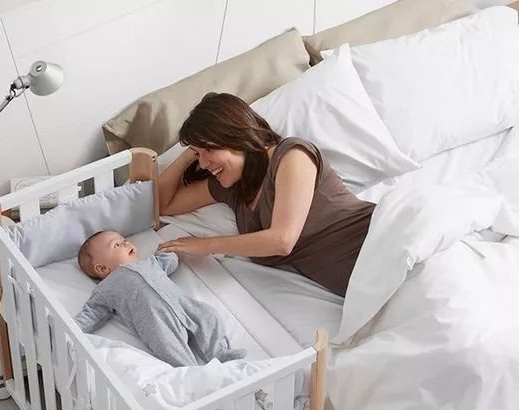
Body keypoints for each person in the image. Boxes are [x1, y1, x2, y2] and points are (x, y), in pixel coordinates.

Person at [157, 92, 375, 297]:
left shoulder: (291, 155)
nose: (203, 164)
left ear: (235, 136)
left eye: (209, 149)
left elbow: (282, 240)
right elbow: (162, 205)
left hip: (375, 243)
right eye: (198, 154)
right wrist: (188, 154)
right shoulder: (230, 188)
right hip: (365, 288)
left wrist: (206, 245)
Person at [74, 230, 246, 367]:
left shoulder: (150, 263)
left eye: (124, 239)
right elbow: (92, 312)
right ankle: (190, 372)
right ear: (102, 268)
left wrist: (167, 250)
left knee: (209, 316)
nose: (126, 242)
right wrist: (72, 326)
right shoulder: (107, 287)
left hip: (184, 305)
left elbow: (170, 262)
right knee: (168, 346)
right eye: (116, 244)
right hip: (155, 322)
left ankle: (221, 354)